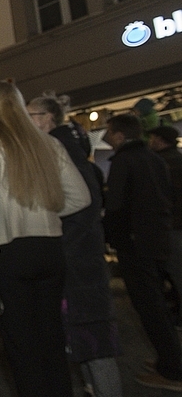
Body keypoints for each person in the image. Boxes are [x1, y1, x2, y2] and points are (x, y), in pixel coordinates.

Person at [0, 81, 90, 397]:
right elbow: (80, 198)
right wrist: (45, 210)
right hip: (50, 248)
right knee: (51, 336)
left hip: (11, 251)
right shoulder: (49, 144)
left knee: (21, 343)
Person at [26, 93, 122, 397]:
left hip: (76, 260)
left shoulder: (59, 150)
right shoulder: (69, 150)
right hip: (81, 258)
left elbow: (79, 208)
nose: (26, 121)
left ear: (46, 118)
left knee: (93, 342)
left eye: (30, 115)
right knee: (87, 341)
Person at [102, 114, 182, 391]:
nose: (107, 137)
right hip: (156, 239)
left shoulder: (124, 161)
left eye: (110, 132)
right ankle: (170, 359)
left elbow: (115, 206)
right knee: (158, 302)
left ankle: (172, 369)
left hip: (135, 243)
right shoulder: (155, 159)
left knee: (149, 307)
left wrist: (111, 236)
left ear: (120, 136)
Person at [147, 124, 182, 328]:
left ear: (160, 140)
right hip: (176, 224)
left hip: (171, 225)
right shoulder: (177, 160)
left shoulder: (161, 164)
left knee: (175, 270)